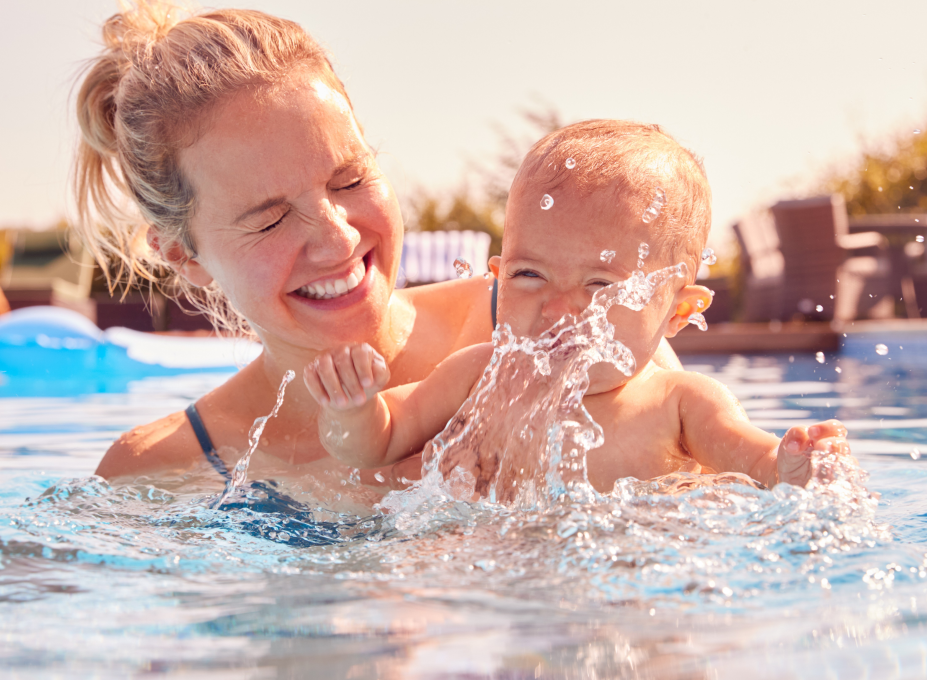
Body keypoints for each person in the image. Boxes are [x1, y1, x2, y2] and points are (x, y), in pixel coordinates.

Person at [72, 2, 684, 501]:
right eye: (272, 219)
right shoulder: (161, 468)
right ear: (184, 257)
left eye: (349, 180)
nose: (338, 238)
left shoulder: (549, 324)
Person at [304, 120, 853, 494]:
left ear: (677, 311)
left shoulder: (681, 402)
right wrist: (351, 410)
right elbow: (377, 443)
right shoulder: (479, 375)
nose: (559, 310)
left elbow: (757, 463)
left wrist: (794, 465)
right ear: (495, 276)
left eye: (599, 285)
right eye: (529, 274)